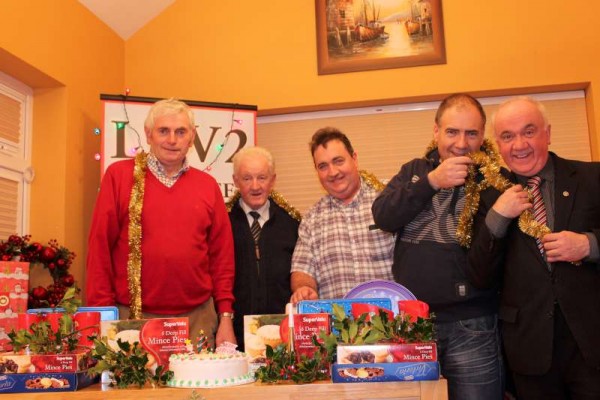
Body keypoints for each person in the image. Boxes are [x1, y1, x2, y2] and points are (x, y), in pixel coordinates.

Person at [372, 93, 504, 400]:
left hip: (473, 325)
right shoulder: (415, 170)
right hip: (414, 325)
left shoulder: (494, 180)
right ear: (436, 131)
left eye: (471, 133)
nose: (461, 143)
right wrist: (431, 181)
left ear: (482, 136)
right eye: (452, 132)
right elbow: (383, 216)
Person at [468, 96, 600, 399]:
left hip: (592, 343)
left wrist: (589, 244)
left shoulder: (593, 177)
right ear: (498, 145)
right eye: (507, 136)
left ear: (548, 133)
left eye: (528, 132)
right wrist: (498, 218)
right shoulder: (488, 197)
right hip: (529, 349)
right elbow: (479, 276)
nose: (519, 145)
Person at [86, 98, 236, 347]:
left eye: (181, 132)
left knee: (200, 388)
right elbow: (100, 248)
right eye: (163, 130)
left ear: (192, 137)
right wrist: (102, 316)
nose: (172, 139)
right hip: (132, 319)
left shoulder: (207, 186)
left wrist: (226, 317)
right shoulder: (119, 177)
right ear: (148, 134)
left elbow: (222, 259)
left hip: (198, 319)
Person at [290, 127, 394, 303]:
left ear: (354, 159)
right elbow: (302, 270)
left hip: (393, 325)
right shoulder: (311, 220)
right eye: (323, 166)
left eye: (338, 161)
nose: (333, 172)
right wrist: (304, 288)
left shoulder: (389, 199)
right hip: (338, 328)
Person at [227, 146, 300, 351]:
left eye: (262, 177)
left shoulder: (292, 225)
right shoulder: (223, 224)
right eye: (247, 178)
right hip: (234, 337)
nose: (255, 186)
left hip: (282, 336)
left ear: (273, 180)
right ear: (235, 181)